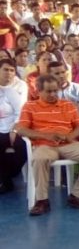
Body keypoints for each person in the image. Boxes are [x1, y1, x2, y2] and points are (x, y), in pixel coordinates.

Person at [15, 74, 79, 215]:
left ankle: (78, 195)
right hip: (44, 144)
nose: (53, 94)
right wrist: (46, 135)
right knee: (39, 159)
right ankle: (42, 200)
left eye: (55, 91)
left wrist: (69, 136)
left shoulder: (68, 105)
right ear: (38, 91)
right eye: (48, 91)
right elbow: (21, 129)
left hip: (68, 143)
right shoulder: (30, 106)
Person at [0, 58, 27, 193]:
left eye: (12, 70)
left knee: (22, 147)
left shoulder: (20, 86)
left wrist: (15, 129)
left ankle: (8, 176)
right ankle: (5, 181)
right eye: (5, 69)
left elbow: (21, 110)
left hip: (15, 125)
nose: (9, 73)